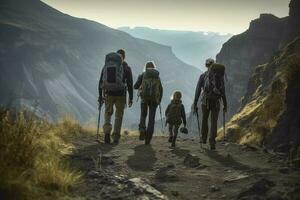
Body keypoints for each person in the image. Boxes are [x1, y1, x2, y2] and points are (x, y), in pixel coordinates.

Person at [98, 49, 133, 144]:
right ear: (124, 57)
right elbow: (130, 83)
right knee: (118, 115)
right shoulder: (126, 68)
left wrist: (100, 95)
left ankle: (106, 134)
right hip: (121, 95)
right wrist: (131, 98)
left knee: (108, 113)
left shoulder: (107, 66)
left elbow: (101, 81)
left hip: (108, 93)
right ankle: (116, 137)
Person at [193, 58, 227, 150]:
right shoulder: (219, 75)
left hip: (205, 101)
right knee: (214, 122)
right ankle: (212, 142)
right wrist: (225, 104)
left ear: (206, 65)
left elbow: (198, 90)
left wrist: (195, 103)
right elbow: (223, 90)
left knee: (204, 119)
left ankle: (204, 139)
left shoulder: (203, 76)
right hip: (216, 101)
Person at [134, 61, 163, 145]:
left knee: (143, 115)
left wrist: (140, 86)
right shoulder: (157, 77)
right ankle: (148, 138)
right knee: (151, 119)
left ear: (145, 67)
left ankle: (142, 130)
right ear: (154, 67)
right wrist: (159, 100)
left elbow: (135, 86)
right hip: (154, 100)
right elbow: (161, 89)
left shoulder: (143, 75)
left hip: (144, 99)